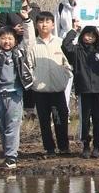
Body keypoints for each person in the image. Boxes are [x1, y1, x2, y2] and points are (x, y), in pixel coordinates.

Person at [0, 11, 33, 169]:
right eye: (4, 38)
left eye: (10, 38)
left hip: (15, 95)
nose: (7, 41)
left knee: (12, 126)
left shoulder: (20, 52)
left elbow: (29, 40)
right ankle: (8, 154)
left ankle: (11, 158)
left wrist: (27, 20)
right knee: (2, 127)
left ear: (15, 40)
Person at [61, 21, 99, 158]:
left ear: (96, 37)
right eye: (86, 35)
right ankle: (85, 144)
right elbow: (65, 45)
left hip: (98, 90)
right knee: (84, 119)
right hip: (83, 89)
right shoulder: (77, 50)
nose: (89, 38)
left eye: (92, 36)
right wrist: (74, 30)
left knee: (98, 118)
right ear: (82, 35)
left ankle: (97, 146)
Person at [25, 10, 71, 156]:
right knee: (44, 121)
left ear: (52, 25)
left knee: (61, 119)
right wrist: (34, 81)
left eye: (47, 22)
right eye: (41, 22)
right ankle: (49, 148)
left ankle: (63, 147)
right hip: (40, 91)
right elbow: (28, 66)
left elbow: (68, 64)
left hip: (58, 90)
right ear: (36, 25)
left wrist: (65, 76)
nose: (44, 25)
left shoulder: (60, 43)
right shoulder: (32, 45)